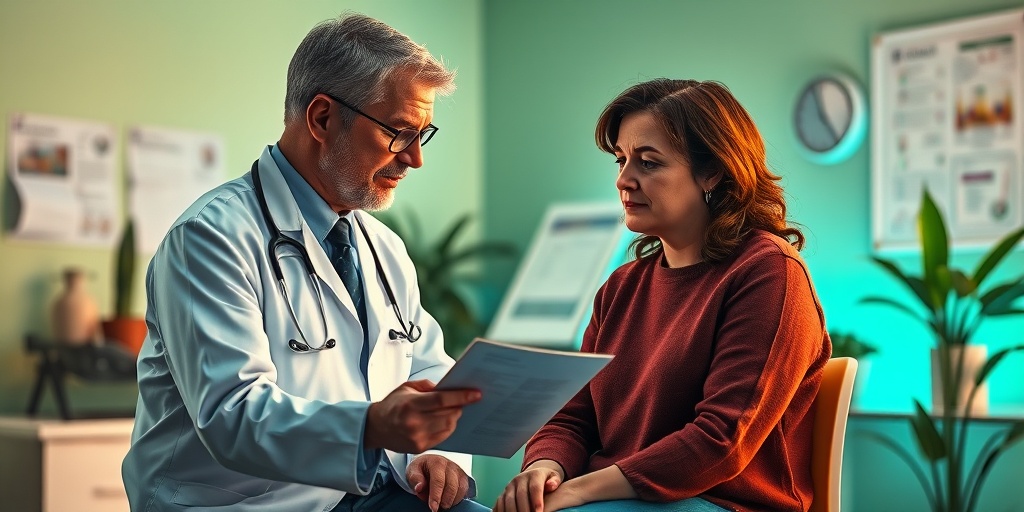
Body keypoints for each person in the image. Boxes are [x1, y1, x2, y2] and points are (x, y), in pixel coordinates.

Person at [122, 13, 491, 512]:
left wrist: (439, 454)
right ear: (321, 118)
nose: (413, 159)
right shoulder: (210, 238)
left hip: (371, 494)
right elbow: (232, 414)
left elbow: (426, 365)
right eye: (400, 133)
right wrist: (371, 427)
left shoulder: (383, 248)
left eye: (422, 135)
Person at [495, 79, 831, 512]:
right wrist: (545, 468)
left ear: (712, 170)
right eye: (620, 160)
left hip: (717, 502)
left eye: (648, 163)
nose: (624, 180)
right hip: (616, 499)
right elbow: (573, 418)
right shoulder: (621, 287)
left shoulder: (769, 274)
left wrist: (578, 491)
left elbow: (720, 442)